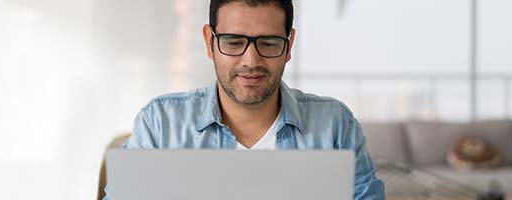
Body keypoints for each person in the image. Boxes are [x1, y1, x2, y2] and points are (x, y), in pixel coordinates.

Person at [103, 0, 385, 199]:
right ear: (209, 42)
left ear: (289, 46)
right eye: (234, 42)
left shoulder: (335, 125)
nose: (251, 61)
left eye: (269, 43)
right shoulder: (159, 125)